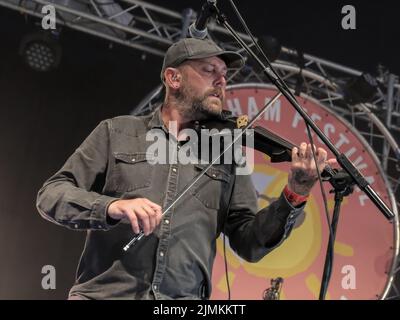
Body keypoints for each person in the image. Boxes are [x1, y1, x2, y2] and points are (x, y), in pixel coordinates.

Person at [36, 38, 336, 300]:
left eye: (224, 74)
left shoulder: (227, 152)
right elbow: (52, 195)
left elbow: (250, 244)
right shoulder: (117, 131)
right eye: (209, 71)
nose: (221, 81)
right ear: (173, 78)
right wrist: (112, 206)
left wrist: (296, 191)